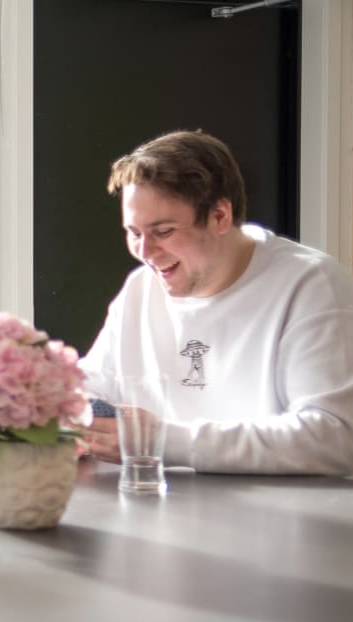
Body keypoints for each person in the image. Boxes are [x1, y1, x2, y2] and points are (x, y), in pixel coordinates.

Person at [79, 130, 353, 475]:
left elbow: (336, 437)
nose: (145, 253)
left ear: (220, 216)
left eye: (163, 232)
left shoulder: (311, 285)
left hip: (278, 522)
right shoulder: (140, 289)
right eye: (134, 233)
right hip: (160, 517)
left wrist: (164, 442)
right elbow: (87, 388)